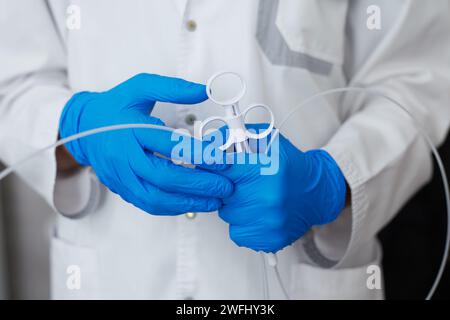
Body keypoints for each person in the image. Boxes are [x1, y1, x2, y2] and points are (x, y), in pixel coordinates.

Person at [0, 0, 449, 299]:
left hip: (297, 275)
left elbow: (414, 82)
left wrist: (332, 180)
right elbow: (12, 80)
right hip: (117, 270)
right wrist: (77, 126)